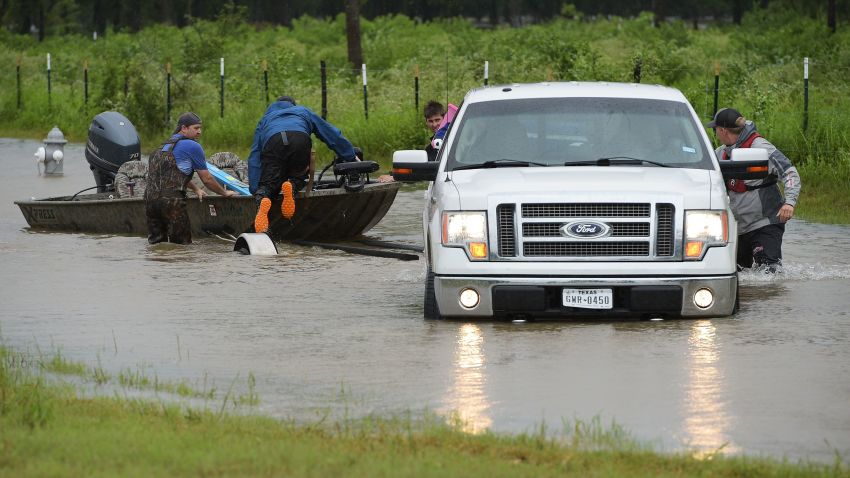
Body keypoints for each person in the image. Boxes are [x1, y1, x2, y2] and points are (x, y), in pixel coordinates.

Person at [708, 108, 801, 272]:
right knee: (738, 276)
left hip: (765, 224)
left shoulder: (762, 148)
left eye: (715, 129)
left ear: (722, 130)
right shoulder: (720, 153)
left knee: (770, 275)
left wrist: (789, 203)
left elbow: (790, 173)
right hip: (738, 229)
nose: (715, 133)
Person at [248, 96, 357, 233]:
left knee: (268, 186)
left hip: (273, 140)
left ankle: (263, 199)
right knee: (298, 175)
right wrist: (350, 156)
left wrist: (255, 188)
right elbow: (330, 134)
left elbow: (255, 154)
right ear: (292, 105)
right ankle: (292, 186)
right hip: (299, 138)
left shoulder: (265, 119)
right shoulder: (303, 111)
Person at [144, 112, 238, 245]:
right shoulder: (192, 146)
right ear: (184, 128)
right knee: (182, 247)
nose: (199, 132)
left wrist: (196, 189)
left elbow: (173, 174)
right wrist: (224, 192)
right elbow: (207, 179)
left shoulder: (161, 147)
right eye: (196, 128)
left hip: (150, 201)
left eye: (200, 128)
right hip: (172, 203)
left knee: (157, 246)